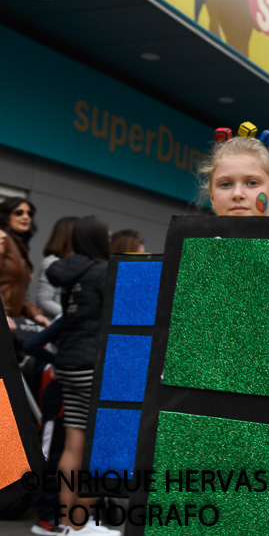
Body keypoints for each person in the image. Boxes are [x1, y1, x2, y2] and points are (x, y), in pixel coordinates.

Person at [46, 216, 118, 535]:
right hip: (94, 367)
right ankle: (80, 523)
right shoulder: (104, 272)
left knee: (73, 444)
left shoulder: (68, 274)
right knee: (105, 445)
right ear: (99, 239)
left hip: (68, 364)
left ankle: (66, 523)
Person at [197, 134, 269, 217]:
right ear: (212, 197)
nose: (237, 194)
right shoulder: (192, 236)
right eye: (225, 184)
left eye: (252, 183)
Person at [0, 197, 49, 325]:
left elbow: (18, 292)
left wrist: (35, 313)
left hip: (11, 322)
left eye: (30, 213)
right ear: (6, 216)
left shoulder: (20, 246)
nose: (26, 217)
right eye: (19, 212)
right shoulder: (2, 239)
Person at [37, 217, 78, 322]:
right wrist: (73, 315)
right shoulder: (52, 262)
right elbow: (44, 300)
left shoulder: (76, 262)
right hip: (55, 326)